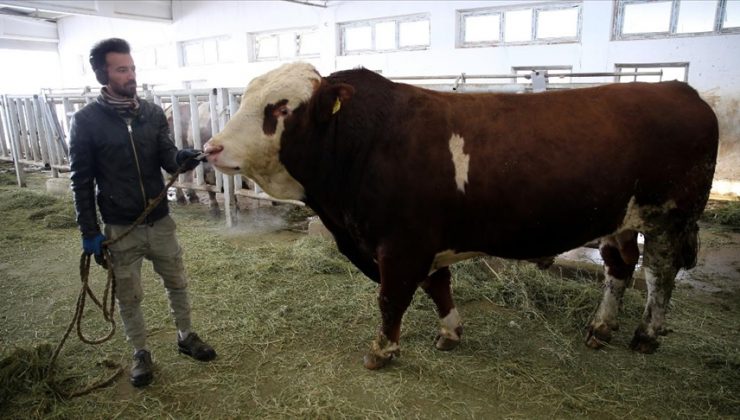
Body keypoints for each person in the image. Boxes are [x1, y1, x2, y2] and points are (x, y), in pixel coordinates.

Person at [69, 38, 216, 388]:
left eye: (132, 68)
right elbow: (81, 180)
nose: (131, 75)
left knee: (177, 282)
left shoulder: (150, 112)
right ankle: (140, 352)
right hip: (122, 226)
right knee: (129, 294)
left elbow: (166, 156)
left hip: (160, 219)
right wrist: (89, 231)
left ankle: (185, 336)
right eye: (122, 70)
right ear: (104, 74)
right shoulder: (86, 121)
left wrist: (183, 157)